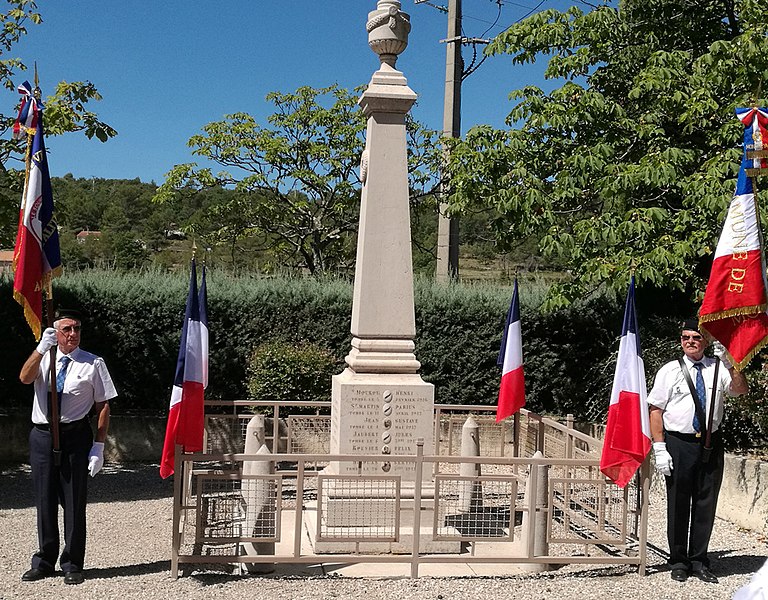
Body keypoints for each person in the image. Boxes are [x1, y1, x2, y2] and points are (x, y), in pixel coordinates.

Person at [18, 308, 117, 585]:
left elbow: (103, 404)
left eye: (77, 329)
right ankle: (44, 561)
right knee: (44, 500)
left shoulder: (93, 362)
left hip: (75, 436)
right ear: (56, 333)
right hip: (42, 435)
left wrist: (98, 446)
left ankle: (73, 562)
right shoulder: (44, 358)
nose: (73, 334)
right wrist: (40, 349)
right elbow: (25, 378)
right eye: (67, 329)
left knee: (73, 502)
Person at [648, 318, 748, 584]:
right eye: (685, 338)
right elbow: (655, 410)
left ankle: (699, 560)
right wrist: (659, 447)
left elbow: (740, 389)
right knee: (679, 503)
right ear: (680, 341)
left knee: (706, 503)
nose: (690, 342)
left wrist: (731, 362)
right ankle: (679, 560)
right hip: (679, 443)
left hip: (710, 442)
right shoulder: (669, 370)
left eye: (696, 337)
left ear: (705, 341)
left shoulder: (718, 368)